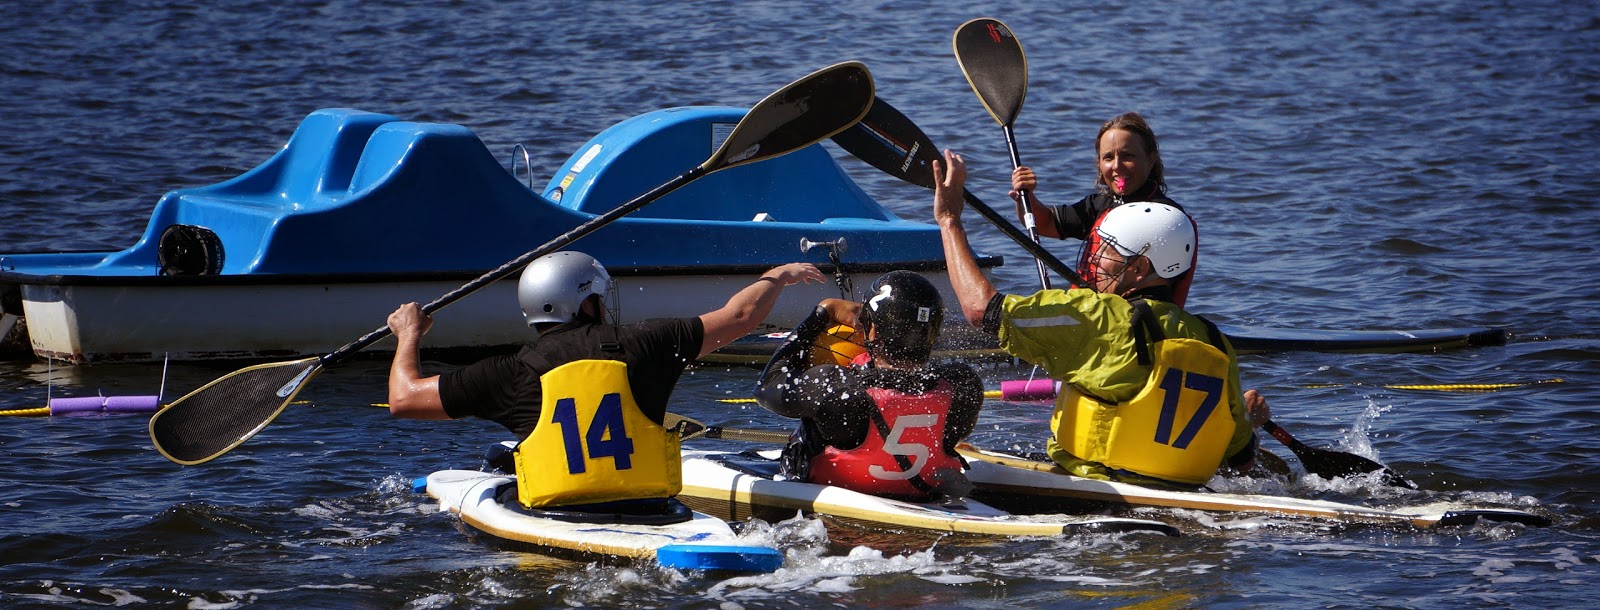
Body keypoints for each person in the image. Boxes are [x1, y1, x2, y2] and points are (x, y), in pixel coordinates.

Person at [386, 251, 825, 509]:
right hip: (651, 512)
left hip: (557, 516)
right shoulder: (648, 342)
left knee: (500, 456)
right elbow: (741, 316)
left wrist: (409, 335)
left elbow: (403, 399)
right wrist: (779, 276)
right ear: (587, 303)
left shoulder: (507, 373)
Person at [934, 149, 1268, 488]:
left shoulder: (1099, 316)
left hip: (1095, 488)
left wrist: (949, 220)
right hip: (1182, 494)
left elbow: (981, 310)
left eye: (1107, 250)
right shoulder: (1214, 341)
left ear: (1138, 269)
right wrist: (1247, 420)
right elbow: (1242, 459)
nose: (1094, 258)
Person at [753, 271, 984, 501]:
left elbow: (767, 385)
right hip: (922, 495)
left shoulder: (836, 387)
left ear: (872, 330)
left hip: (834, 506)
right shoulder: (963, 385)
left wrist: (822, 313)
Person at [1009, 112, 1196, 306]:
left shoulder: (1167, 219)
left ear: (1150, 160)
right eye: (1108, 157)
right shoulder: (1100, 204)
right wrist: (1026, 196)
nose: (1116, 166)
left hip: (1135, 317)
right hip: (1092, 313)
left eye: (1127, 156)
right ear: (1099, 163)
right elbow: (1044, 223)